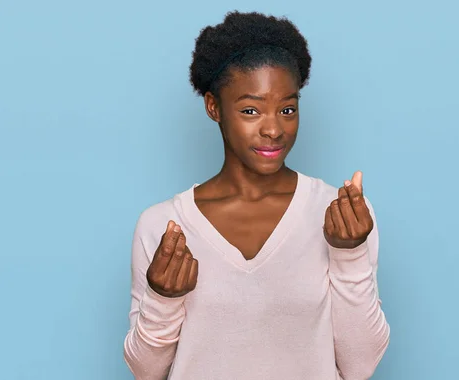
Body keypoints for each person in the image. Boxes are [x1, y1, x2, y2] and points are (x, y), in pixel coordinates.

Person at [123, 10, 390, 380]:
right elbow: (145, 372)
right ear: (213, 106)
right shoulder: (162, 226)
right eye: (251, 110)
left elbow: (359, 367)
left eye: (287, 109)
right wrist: (162, 301)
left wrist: (350, 255)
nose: (273, 129)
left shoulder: (341, 216)